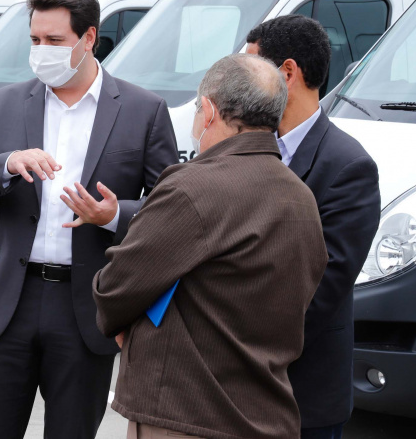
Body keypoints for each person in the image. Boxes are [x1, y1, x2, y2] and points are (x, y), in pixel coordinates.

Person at [0, 0, 178, 438]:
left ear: (89, 39)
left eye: (54, 41)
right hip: (9, 303)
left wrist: (113, 215)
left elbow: (171, 209)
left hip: (86, 307)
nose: (42, 51)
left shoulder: (143, 110)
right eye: (35, 40)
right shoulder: (9, 101)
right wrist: (8, 163)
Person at [93, 53, 328, 439]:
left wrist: (123, 326)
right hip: (268, 411)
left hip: (187, 411)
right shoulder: (300, 196)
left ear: (209, 110)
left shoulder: (193, 187)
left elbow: (117, 286)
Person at [247, 15, 381, 439]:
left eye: (250, 70)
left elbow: (323, 285)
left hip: (303, 392)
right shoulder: (248, 143)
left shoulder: (348, 165)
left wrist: (238, 342)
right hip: (238, 387)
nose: (239, 83)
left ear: (287, 72)